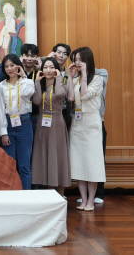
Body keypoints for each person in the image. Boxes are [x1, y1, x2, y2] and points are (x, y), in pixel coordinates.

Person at [67, 47, 106, 211]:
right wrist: (70, 78)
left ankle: (91, 200)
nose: (77, 63)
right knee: (79, 163)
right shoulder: (76, 79)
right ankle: (83, 199)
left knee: (92, 163)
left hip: (91, 123)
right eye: (75, 60)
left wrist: (83, 75)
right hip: (77, 123)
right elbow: (71, 97)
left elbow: (84, 95)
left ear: (87, 60)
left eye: (80, 60)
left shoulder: (98, 79)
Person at [31, 57, 71, 198]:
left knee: (58, 156)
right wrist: (37, 81)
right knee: (46, 155)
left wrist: (59, 77)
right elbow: (36, 101)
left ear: (56, 69)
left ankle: (61, 193)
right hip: (43, 123)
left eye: (51, 67)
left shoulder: (61, 84)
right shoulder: (40, 85)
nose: (48, 70)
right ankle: (50, 192)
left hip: (57, 122)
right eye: (45, 67)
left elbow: (60, 94)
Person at [0, 54, 35, 190]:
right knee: (9, 165)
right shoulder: (1, 86)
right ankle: (11, 195)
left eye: (12, 65)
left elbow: (27, 94)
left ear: (18, 65)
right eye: (6, 66)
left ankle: (26, 195)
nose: (10, 69)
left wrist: (23, 76)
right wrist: (3, 132)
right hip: (8, 124)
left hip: (24, 123)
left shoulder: (27, 82)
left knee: (25, 165)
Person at [49, 43, 72, 130]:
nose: (61, 56)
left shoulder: (69, 73)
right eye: (59, 52)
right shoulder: (46, 70)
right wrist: (48, 59)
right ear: (54, 53)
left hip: (64, 111)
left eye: (65, 54)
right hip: (48, 110)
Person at [20, 44, 42, 137]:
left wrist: (41, 69)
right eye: (26, 55)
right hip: (21, 114)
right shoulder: (17, 73)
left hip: (36, 114)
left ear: (37, 58)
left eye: (32, 56)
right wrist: (19, 65)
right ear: (21, 56)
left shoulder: (40, 73)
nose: (29, 59)